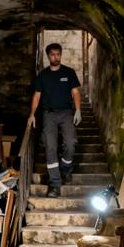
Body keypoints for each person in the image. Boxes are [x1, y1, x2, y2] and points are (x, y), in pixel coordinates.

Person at [28, 43, 83, 198]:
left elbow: (76, 92)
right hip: (49, 115)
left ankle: (66, 170)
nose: (55, 57)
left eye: (58, 54)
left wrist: (78, 110)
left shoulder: (69, 72)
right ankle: (55, 185)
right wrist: (32, 114)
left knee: (71, 144)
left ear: (61, 55)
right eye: (52, 54)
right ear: (48, 56)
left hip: (66, 113)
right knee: (50, 148)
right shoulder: (43, 75)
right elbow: (37, 96)